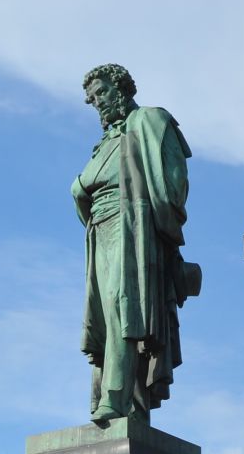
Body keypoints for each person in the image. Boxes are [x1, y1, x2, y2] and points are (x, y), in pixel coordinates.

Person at [72, 63, 195, 425]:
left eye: (101, 94)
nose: (97, 103)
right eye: (92, 99)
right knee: (104, 317)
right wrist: (79, 188)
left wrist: (159, 228)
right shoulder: (105, 142)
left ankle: (116, 397)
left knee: (123, 308)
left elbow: (174, 181)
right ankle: (123, 401)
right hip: (101, 229)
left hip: (134, 226)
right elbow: (89, 186)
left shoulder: (150, 120)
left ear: (121, 87)